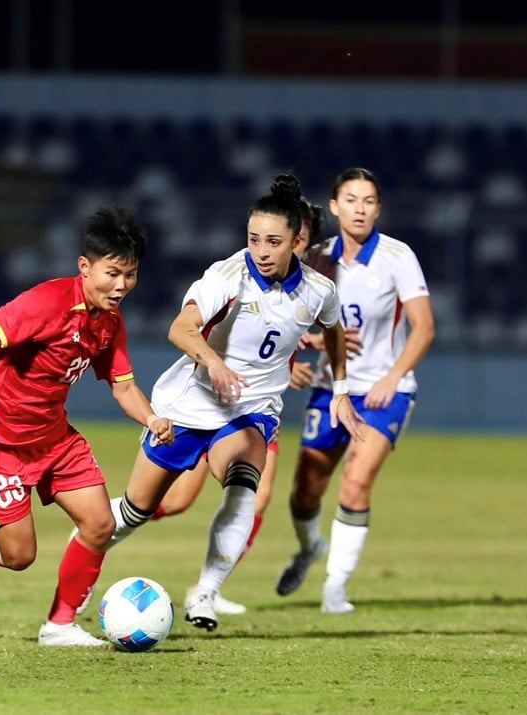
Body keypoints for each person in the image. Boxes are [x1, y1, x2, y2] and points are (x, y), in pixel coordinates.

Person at [0, 204, 174, 648]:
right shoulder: (48, 303)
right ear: (85, 267)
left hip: (55, 438)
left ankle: (59, 626)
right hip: (0, 441)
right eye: (112, 273)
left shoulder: (109, 323)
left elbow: (123, 387)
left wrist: (152, 417)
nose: (121, 285)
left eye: (130, 275)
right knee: (19, 556)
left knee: (100, 524)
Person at [100, 173, 365, 633]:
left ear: (296, 242)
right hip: (192, 404)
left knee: (245, 487)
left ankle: (205, 592)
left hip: (251, 409)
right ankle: (87, 549)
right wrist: (213, 362)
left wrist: (340, 390)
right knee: (137, 510)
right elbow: (180, 329)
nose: (261, 250)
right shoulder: (228, 275)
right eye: (253, 238)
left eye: (273, 242)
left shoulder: (318, 290)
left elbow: (335, 330)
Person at [275, 166, 435, 614]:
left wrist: (392, 377)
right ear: (335, 207)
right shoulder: (317, 259)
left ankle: (335, 586)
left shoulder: (398, 257)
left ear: (378, 209)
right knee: (304, 492)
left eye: (368, 201)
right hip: (332, 389)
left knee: (356, 479)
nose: (359, 209)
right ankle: (310, 548)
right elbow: (282, 319)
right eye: (351, 200)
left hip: (386, 392)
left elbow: (424, 327)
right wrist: (298, 353)